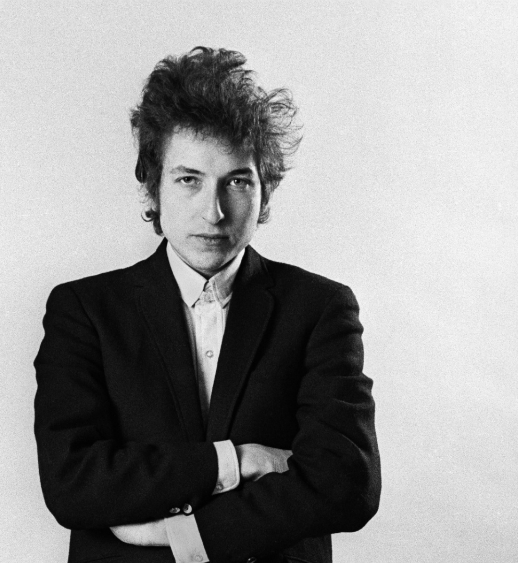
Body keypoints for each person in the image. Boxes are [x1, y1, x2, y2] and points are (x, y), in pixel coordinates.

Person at [34, 47, 380, 563]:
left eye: (237, 181)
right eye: (188, 179)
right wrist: (236, 461)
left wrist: (182, 535)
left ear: (266, 192)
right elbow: (74, 483)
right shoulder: (83, 309)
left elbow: (348, 483)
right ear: (152, 187)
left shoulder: (320, 307)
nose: (213, 211)